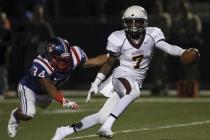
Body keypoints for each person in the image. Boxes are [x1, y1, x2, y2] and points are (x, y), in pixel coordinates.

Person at [52, 5, 197, 140]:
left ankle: (64, 131)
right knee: (133, 92)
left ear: (144, 23)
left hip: (135, 80)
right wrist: (96, 82)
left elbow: (169, 48)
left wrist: (183, 52)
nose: (133, 26)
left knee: (101, 116)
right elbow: (110, 62)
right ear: (124, 23)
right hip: (121, 74)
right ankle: (107, 126)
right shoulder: (118, 37)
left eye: (137, 22)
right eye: (130, 22)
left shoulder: (153, 34)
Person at [7, 37, 107, 138]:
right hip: (29, 88)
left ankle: (26, 106)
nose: (65, 62)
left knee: (43, 105)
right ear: (51, 57)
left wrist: (112, 56)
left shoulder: (74, 55)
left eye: (67, 59)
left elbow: (95, 61)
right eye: (61, 60)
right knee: (28, 113)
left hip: (46, 93)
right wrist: (65, 102)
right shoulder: (41, 64)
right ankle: (15, 115)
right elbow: (49, 87)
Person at [0, 12, 12, 100]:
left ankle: (4, 90)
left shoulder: (7, 31)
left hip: (2, 54)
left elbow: (10, 44)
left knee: (3, 73)